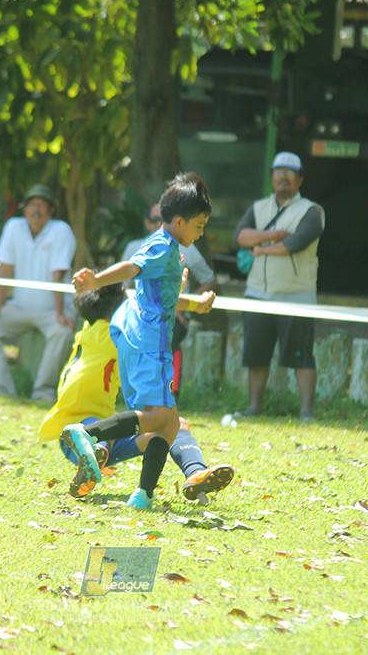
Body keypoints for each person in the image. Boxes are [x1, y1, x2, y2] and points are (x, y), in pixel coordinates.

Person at [64, 172, 216, 510]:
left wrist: (195, 303)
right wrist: (96, 280)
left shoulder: (165, 245)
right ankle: (88, 435)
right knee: (157, 418)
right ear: (179, 222)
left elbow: (162, 299)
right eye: (199, 226)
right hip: (149, 342)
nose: (201, 232)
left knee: (170, 422)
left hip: (142, 336)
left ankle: (143, 495)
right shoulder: (163, 246)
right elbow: (131, 268)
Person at [38, 283, 234, 505]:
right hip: (76, 433)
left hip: (102, 434)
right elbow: (150, 309)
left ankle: (196, 473)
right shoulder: (110, 333)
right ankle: (95, 451)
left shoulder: (89, 333)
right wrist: (175, 289)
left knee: (176, 424)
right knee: (110, 424)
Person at [234, 151, 325, 421]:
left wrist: (260, 249)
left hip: (297, 295)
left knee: (302, 356)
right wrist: (272, 235)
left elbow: (295, 244)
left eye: (289, 173)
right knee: (256, 355)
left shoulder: (312, 211)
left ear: (299, 179)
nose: (283, 178)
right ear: (272, 177)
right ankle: (254, 407)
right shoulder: (258, 207)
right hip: (256, 294)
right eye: (278, 172)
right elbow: (241, 236)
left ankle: (306, 411)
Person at [0, 184, 76, 402]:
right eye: (31, 205)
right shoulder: (13, 227)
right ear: (24, 209)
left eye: (41, 205)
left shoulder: (61, 230)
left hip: (52, 311)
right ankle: (2, 388)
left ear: (51, 210)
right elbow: (5, 270)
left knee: (62, 331)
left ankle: (43, 390)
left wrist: (60, 313)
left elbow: (58, 273)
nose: (35, 210)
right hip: (19, 307)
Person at [123, 202, 218, 397]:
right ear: (147, 223)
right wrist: (96, 281)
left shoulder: (187, 248)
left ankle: (171, 392)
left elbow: (210, 280)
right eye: (155, 220)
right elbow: (125, 284)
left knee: (170, 338)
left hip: (175, 315)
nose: (160, 224)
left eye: (163, 219)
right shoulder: (135, 247)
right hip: (140, 313)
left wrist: (187, 307)